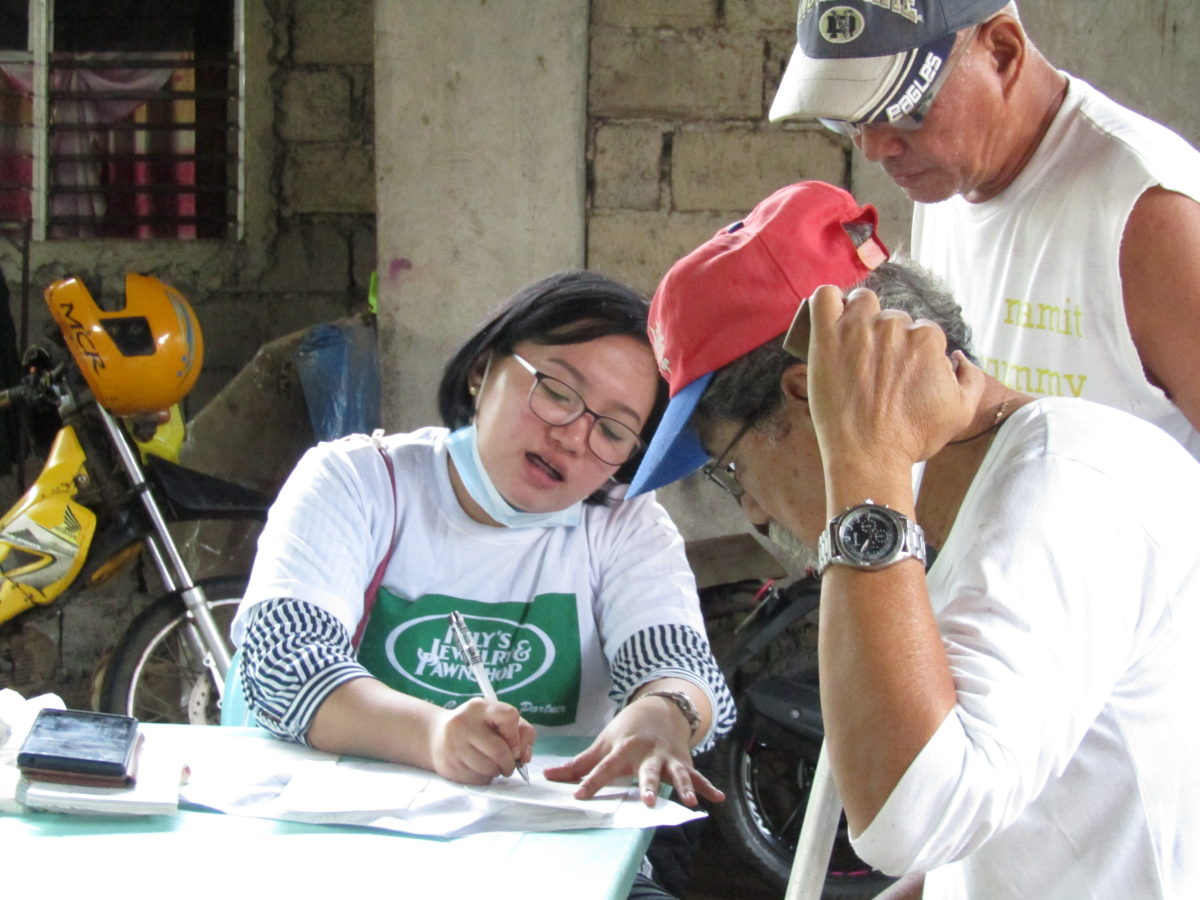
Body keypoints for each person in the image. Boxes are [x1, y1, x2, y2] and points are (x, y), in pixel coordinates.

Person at [628, 180, 1200, 898]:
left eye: (732, 466)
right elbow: (985, 836)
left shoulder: (1066, 488)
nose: (752, 510)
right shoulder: (970, 502)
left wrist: (864, 463)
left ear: (810, 396)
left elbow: (914, 817)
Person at [231, 271, 734, 898]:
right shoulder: (358, 483)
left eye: (611, 431)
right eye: (557, 392)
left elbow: (679, 665)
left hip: (557, 861)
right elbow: (284, 664)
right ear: (482, 369)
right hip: (353, 849)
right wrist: (434, 735)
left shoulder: (624, 526)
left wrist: (665, 712)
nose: (573, 436)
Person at [767, 0, 1200, 460]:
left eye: (904, 106)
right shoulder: (949, 177)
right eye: (847, 118)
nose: (873, 148)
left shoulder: (1151, 214)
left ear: (1002, 53)